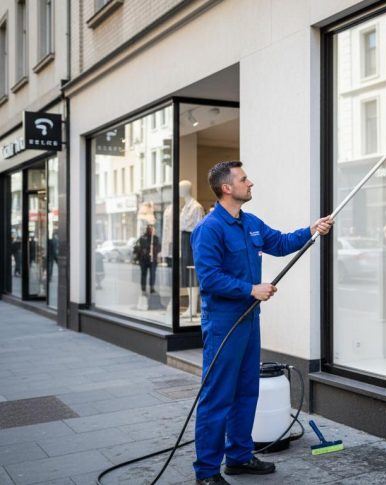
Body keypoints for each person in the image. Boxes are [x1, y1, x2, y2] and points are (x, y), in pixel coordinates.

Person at [191, 161, 333, 484]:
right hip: (223, 323)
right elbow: (209, 278)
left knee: (246, 391)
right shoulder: (209, 229)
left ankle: (239, 457)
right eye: (244, 179)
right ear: (227, 188)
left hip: (250, 319)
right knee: (217, 396)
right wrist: (250, 289)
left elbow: (280, 243)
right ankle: (207, 472)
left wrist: (311, 230)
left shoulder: (251, 223)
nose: (250, 182)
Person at [134, 224, 160, 294]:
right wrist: (142, 251)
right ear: (147, 230)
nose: (151, 231)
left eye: (152, 229)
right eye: (149, 229)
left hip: (152, 259)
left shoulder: (155, 238)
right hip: (144, 259)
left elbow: (159, 248)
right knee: (144, 274)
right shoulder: (142, 238)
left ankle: (151, 287)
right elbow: (137, 247)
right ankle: (143, 288)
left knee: (152, 274)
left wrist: (154, 249)